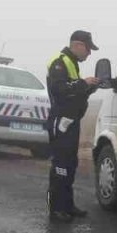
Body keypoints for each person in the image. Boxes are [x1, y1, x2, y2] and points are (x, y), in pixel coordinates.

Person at [45, 30, 100, 222]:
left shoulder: (72, 64)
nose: (89, 53)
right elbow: (60, 90)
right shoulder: (59, 63)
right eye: (88, 49)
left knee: (70, 164)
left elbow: (74, 92)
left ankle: (67, 205)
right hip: (60, 122)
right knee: (60, 166)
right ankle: (55, 208)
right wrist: (82, 83)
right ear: (77, 45)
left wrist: (89, 87)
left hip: (71, 122)